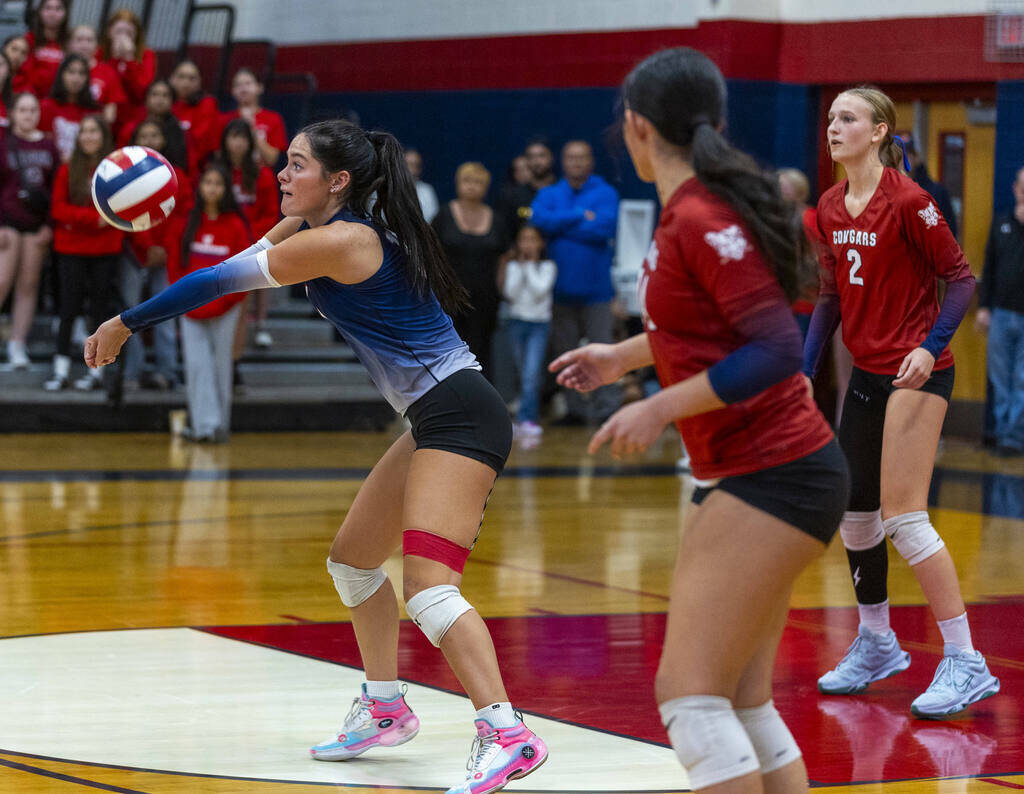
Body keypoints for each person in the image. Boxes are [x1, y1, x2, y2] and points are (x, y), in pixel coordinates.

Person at [84, 118, 548, 794]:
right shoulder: (331, 231)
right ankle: (386, 709)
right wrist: (280, 224)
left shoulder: (343, 241)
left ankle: (508, 734)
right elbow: (248, 255)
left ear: (338, 180)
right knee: (355, 564)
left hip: (461, 415)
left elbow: (217, 280)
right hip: (433, 416)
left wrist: (125, 322)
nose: (281, 174)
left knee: (430, 589)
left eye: (296, 164)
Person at [550, 47, 849, 793]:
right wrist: (625, 358)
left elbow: (777, 347)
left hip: (774, 472)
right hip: (772, 472)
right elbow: (700, 330)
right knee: (741, 702)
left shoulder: (699, 215)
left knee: (690, 700)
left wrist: (656, 405)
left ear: (638, 126)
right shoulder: (693, 210)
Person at [802, 85, 999, 718]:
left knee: (904, 519)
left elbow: (962, 280)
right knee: (855, 517)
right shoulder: (829, 206)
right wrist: (805, 372)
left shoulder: (911, 202)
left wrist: (931, 343)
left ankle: (967, 661)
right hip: (865, 373)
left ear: (880, 131)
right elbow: (830, 296)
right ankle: (877, 641)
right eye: (831, 117)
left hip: (918, 373)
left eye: (849, 118)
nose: (835, 127)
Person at [531, 139, 620, 424]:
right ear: (563, 162)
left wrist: (561, 225)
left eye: (582, 158)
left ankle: (607, 409)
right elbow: (540, 220)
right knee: (565, 354)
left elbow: (604, 227)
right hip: (559, 291)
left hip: (598, 291)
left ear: (591, 161)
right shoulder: (550, 192)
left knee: (604, 352)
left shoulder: (606, 192)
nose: (577, 163)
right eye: (571, 158)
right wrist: (581, 216)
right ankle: (574, 410)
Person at [44, 114, 123, 391]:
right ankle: (60, 370)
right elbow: (57, 209)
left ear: (104, 135)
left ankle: (97, 373)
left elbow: (124, 205)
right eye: (84, 131)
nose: (89, 136)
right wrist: (93, 219)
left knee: (100, 311)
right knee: (68, 308)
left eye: (94, 131)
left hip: (106, 248)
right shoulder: (67, 169)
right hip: (71, 248)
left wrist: (96, 220)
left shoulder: (115, 169)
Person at [175, 163, 252, 441]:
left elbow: (244, 272)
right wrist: (182, 301)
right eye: (208, 182)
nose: (212, 188)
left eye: (218, 183)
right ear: (200, 187)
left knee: (220, 365)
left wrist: (224, 304)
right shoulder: (188, 222)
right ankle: (202, 427)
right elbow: (176, 267)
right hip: (190, 308)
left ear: (226, 189)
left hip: (225, 308)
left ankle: (220, 426)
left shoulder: (234, 225)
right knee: (196, 366)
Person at [120, 119, 193, 390]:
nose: (150, 139)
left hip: (166, 254)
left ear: (163, 141)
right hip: (134, 253)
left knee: (166, 313)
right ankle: (131, 373)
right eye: (144, 134)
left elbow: (182, 216)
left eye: (154, 134)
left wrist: (163, 249)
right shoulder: (124, 175)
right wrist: (146, 246)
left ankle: (167, 372)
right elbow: (126, 214)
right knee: (128, 316)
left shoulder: (178, 175)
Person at [431, 161, 510, 378]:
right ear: (458, 183)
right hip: (448, 298)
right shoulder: (444, 215)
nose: (471, 186)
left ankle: (482, 405)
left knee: (482, 350)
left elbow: (504, 258)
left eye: (477, 182)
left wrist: (501, 289)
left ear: (486, 187)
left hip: (485, 298)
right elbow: (430, 254)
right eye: (467, 181)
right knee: (449, 351)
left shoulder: (497, 220)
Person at [0, 92, 58, 368]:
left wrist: (48, 225)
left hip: (36, 227)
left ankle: (17, 345)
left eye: (33, 109)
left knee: (28, 285)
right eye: (22, 110)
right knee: (1, 283)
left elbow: (55, 190)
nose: (28, 115)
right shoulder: (3, 143)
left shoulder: (49, 146)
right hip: (8, 225)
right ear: (12, 114)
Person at [213, 118, 280, 350]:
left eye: (243, 137)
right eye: (234, 136)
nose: (238, 143)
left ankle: (261, 324)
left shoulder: (262, 174)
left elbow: (271, 213)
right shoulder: (216, 173)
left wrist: (251, 239)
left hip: (254, 239)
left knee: (262, 264)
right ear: (225, 141)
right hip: (223, 239)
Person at [976, 166, 1024, 457]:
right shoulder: (1001, 224)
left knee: (1022, 377)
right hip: (1001, 313)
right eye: (1022, 185)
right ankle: (1004, 429)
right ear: (1016, 188)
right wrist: (983, 306)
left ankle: (1014, 437)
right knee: (999, 376)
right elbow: (989, 266)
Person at [502, 225, 555, 438]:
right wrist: (520, 266)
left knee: (531, 373)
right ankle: (523, 414)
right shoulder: (513, 266)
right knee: (522, 371)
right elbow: (510, 293)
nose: (528, 244)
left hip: (538, 325)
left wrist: (530, 266)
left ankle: (528, 418)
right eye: (524, 239)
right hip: (516, 322)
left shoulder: (548, 266)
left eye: (533, 240)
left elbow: (540, 291)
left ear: (541, 243)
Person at [98, 9, 155, 134]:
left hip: (132, 121)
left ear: (136, 35)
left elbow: (140, 92)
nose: (123, 37)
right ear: (109, 32)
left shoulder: (146, 55)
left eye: (128, 33)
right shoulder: (100, 54)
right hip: (103, 117)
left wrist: (129, 59)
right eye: (118, 32)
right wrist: (115, 59)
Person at [221, 67, 287, 169]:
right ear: (232, 91)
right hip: (232, 175)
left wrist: (252, 130)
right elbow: (220, 156)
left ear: (260, 87)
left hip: (262, 178)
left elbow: (272, 159)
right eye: (238, 85)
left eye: (248, 83)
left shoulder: (273, 119)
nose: (243, 89)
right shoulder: (224, 120)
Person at [117, 78, 189, 171]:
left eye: (165, 95)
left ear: (172, 101)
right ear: (146, 99)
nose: (160, 99)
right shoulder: (130, 128)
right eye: (155, 94)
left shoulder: (179, 130)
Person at [40, 53, 101, 161]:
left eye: (81, 73)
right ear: (61, 75)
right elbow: (44, 145)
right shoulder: (47, 106)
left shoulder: (94, 111)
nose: (76, 78)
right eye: (71, 72)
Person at [66, 25, 124, 127]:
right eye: (79, 40)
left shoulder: (108, 72)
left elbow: (110, 112)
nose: (84, 45)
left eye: (89, 40)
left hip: (93, 130)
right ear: (69, 44)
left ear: (97, 45)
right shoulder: (61, 68)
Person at [170, 59, 221, 173]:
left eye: (192, 78)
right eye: (181, 77)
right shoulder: (164, 103)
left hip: (196, 171)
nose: (186, 83)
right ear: (172, 79)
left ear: (199, 82)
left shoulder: (207, 104)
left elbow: (202, 143)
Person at [905, 138, 958, 240]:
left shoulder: (936, 193)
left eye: (906, 156)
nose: (900, 162)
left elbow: (949, 233)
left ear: (916, 158)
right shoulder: (887, 193)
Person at [22, 0, 68, 98]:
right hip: (30, 98)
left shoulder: (69, 42)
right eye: (48, 8)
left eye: (58, 9)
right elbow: (23, 73)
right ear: (40, 12)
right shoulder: (29, 39)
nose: (53, 13)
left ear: (65, 13)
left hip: (60, 99)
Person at [403, 147, 438, 222]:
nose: (413, 171)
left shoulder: (427, 191)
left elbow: (433, 220)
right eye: (410, 165)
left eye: (417, 166)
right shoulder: (389, 189)